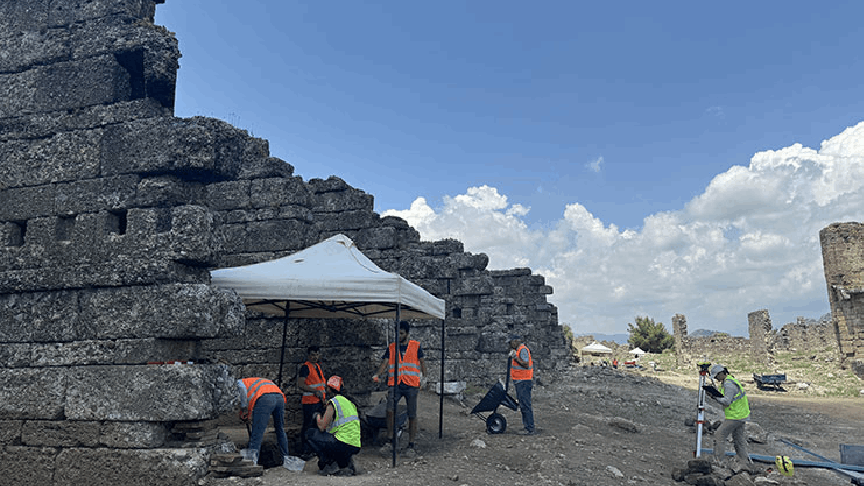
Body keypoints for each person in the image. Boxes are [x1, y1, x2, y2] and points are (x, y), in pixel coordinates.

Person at [372, 320, 427, 457]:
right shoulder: (391, 347)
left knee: (412, 414)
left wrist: (425, 377)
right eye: (397, 332)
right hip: (395, 384)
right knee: (390, 410)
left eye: (401, 333)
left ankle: (411, 444)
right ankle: (390, 441)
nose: (398, 335)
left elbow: (422, 363)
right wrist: (378, 374)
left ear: (407, 334)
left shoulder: (415, 346)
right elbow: (384, 363)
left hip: (411, 385)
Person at [305, 376, 361, 476]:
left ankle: (329, 463)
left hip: (342, 443)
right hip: (355, 444)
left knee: (310, 434)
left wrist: (317, 416)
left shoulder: (334, 402)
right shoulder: (350, 403)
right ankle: (345, 464)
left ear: (330, 388)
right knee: (331, 440)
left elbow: (322, 426)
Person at [237, 377, 291, 467]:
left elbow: (243, 392)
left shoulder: (238, 383)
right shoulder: (254, 381)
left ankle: (251, 463)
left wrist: (243, 408)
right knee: (280, 430)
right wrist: (248, 413)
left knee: (257, 433)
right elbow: (250, 398)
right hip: (279, 397)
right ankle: (286, 460)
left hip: (265, 398)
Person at [705, 364, 752, 465]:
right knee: (739, 439)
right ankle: (744, 462)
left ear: (722, 373)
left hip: (735, 416)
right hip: (741, 415)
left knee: (720, 435)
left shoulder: (729, 385)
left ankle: (719, 461)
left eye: (717, 376)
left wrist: (714, 397)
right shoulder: (729, 381)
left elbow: (727, 401)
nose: (716, 378)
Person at [297, 346, 326, 458]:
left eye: (317, 354)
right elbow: (301, 384)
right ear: (309, 356)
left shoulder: (318, 367)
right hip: (309, 402)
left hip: (318, 402)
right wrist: (314, 391)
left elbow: (321, 386)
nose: (315, 357)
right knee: (308, 426)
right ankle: (306, 450)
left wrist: (323, 399)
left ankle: (314, 449)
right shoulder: (306, 367)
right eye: (313, 355)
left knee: (315, 426)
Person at [508, 335, 535, 435]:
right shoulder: (519, 350)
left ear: (515, 341)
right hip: (520, 381)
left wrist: (515, 357)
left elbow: (526, 364)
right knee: (523, 405)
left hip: (524, 381)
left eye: (511, 342)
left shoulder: (523, 350)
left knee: (526, 405)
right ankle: (526, 427)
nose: (510, 344)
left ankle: (530, 428)